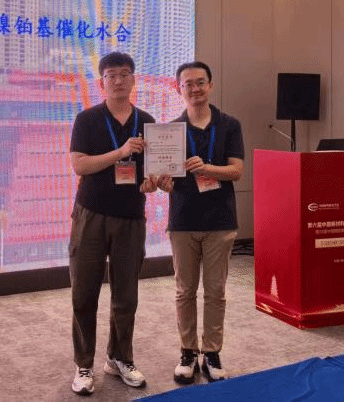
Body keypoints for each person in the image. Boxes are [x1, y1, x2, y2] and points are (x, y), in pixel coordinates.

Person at [68, 51, 156, 396]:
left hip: (131, 216)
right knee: (84, 292)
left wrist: (152, 182)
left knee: (126, 295)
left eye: (124, 74)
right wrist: (120, 153)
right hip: (90, 214)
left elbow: (152, 172)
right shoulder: (87, 119)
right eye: (111, 75)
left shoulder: (148, 121)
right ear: (101, 82)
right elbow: (80, 165)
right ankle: (83, 364)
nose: (118, 80)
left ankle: (119, 358)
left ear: (133, 79)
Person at [155, 61, 244, 384]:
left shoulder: (229, 125)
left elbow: (236, 171)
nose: (194, 89)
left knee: (216, 291)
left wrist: (207, 169)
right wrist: (163, 183)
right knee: (184, 291)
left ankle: (212, 352)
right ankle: (188, 352)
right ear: (179, 89)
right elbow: (165, 179)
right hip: (183, 220)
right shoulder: (170, 131)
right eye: (188, 84)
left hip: (220, 220)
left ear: (210, 85)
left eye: (200, 82)